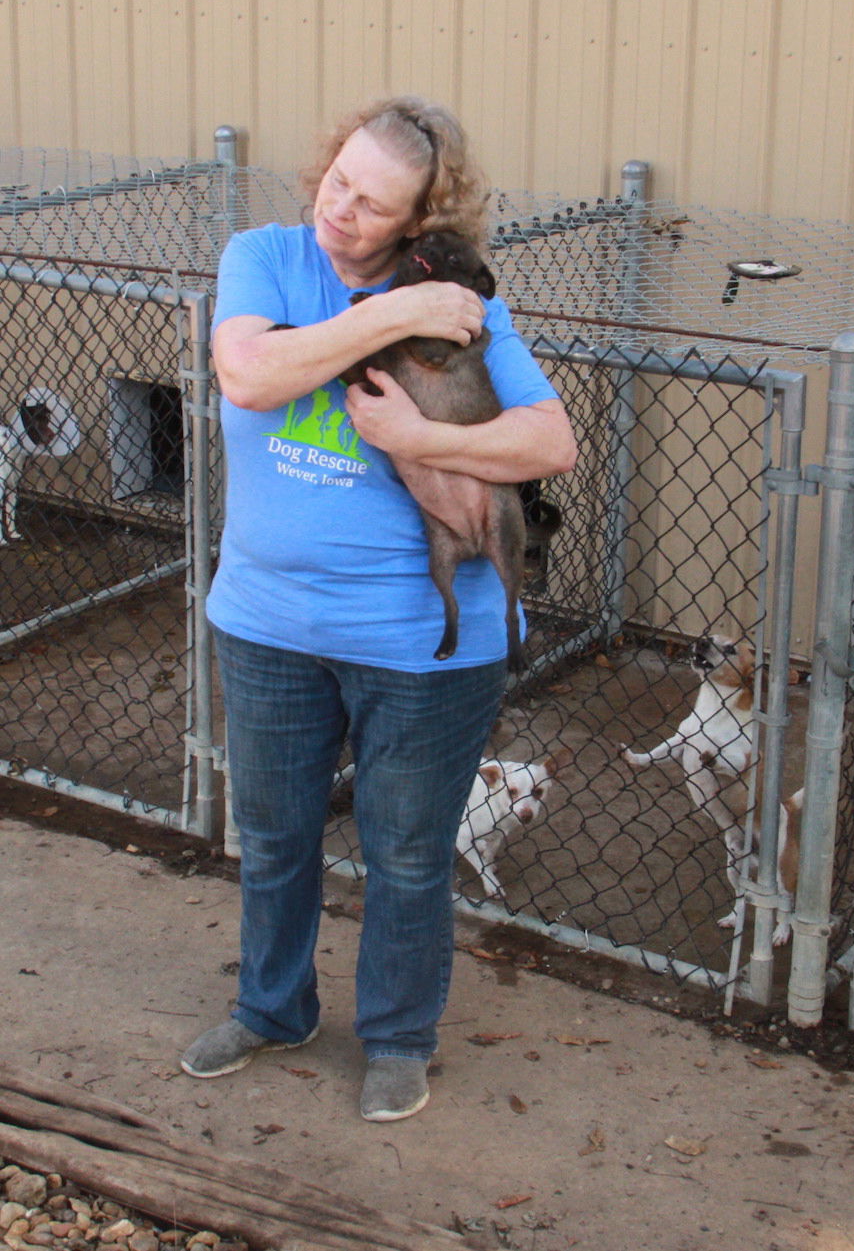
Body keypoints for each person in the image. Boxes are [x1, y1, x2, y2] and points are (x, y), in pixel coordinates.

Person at [179, 97, 577, 1122]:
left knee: (405, 854)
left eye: (372, 204)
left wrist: (424, 438)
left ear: (418, 224)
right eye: (338, 180)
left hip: (422, 642)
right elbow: (251, 371)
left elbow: (547, 445)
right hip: (268, 622)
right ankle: (273, 1008)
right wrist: (401, 313)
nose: (339, 209)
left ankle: (399, 1035)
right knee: (271, 838)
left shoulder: (466, 303)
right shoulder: (266, 258)